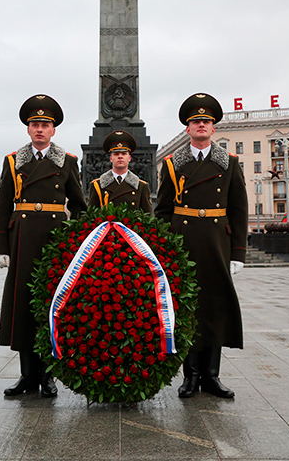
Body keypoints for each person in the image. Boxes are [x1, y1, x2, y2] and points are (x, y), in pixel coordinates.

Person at [0, 94, 88, 397]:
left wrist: (77, 242)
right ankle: (26, 376)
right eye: (35, 124)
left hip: (53, 242)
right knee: (23, 308)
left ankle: (47, 377)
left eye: (45, 124)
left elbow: (80, 205)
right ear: (28, 128)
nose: (39, 129)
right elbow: (3, 205)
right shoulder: (12, 161)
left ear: (54, 130)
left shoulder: (68, 162)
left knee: (51, 306)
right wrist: (0, 247)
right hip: (21, 240)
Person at [155, 93, 248, 398]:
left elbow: (238, 210)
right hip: (185, 245)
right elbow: (163, 211)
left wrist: (238, 253)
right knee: (189, 309)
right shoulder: (171, 165)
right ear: (187, 128)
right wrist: (168, 247)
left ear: (213, 128)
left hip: (217, 244)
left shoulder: (230, 164)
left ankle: (212, 376)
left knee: (216, 308)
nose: (201, 126)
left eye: (206, 121)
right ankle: (191, 376)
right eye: (196, 122)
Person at [86, 130, 152, 213]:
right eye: (116, 154)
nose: (120, 157)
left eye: (124, 154)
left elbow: (147, 217)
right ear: (110, 158)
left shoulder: (141, 186)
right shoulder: (97, 185)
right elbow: (91, 216)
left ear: (129, 158)